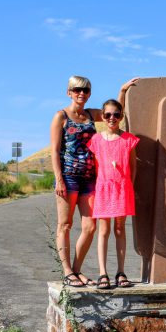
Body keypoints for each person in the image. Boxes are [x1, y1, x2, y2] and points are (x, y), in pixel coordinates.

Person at [50, 75, 138, 287]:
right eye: (77, 90)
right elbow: (54, 150)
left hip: (90, 178)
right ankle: (67, 271)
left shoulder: (91, 115)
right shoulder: (61, 116)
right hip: (69, 177)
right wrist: (59, 178)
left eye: (86, 91)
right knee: (65, 224)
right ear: (69, 92)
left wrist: (123, 90)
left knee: (90, 227)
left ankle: (77, 269)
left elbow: (115, 112)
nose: (82, 94)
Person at [87, 99, 139, 289]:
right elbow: (96, 167)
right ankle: (102, 273)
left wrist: (128, 186)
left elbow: (133, 167)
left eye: (116, 115)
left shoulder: (128, 139)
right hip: (104, 189)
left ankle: (121, 271)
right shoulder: (96, 140)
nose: (112, 118)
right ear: (102, 116)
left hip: (122, 190)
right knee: (104, 230)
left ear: (121, 116)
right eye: (108, 115)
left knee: (120, 229)